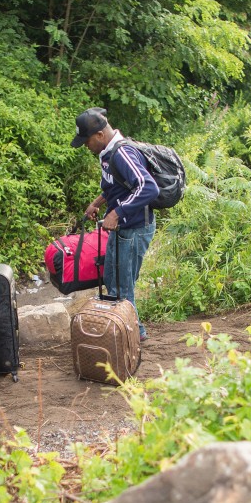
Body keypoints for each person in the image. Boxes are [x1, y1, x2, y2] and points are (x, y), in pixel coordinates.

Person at [76, 108, 159, 341]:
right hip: (122, 228)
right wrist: (97, 203)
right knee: (113, 281)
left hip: (134, 229)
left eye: (87, 141)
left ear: (100, 135)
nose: (86, 146)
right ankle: (130, 332)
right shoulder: (108, 154)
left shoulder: (122, 154)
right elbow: (115, 186)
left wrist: (117, 213)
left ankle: (130, 338)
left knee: (122, 288)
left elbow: (149, 187)